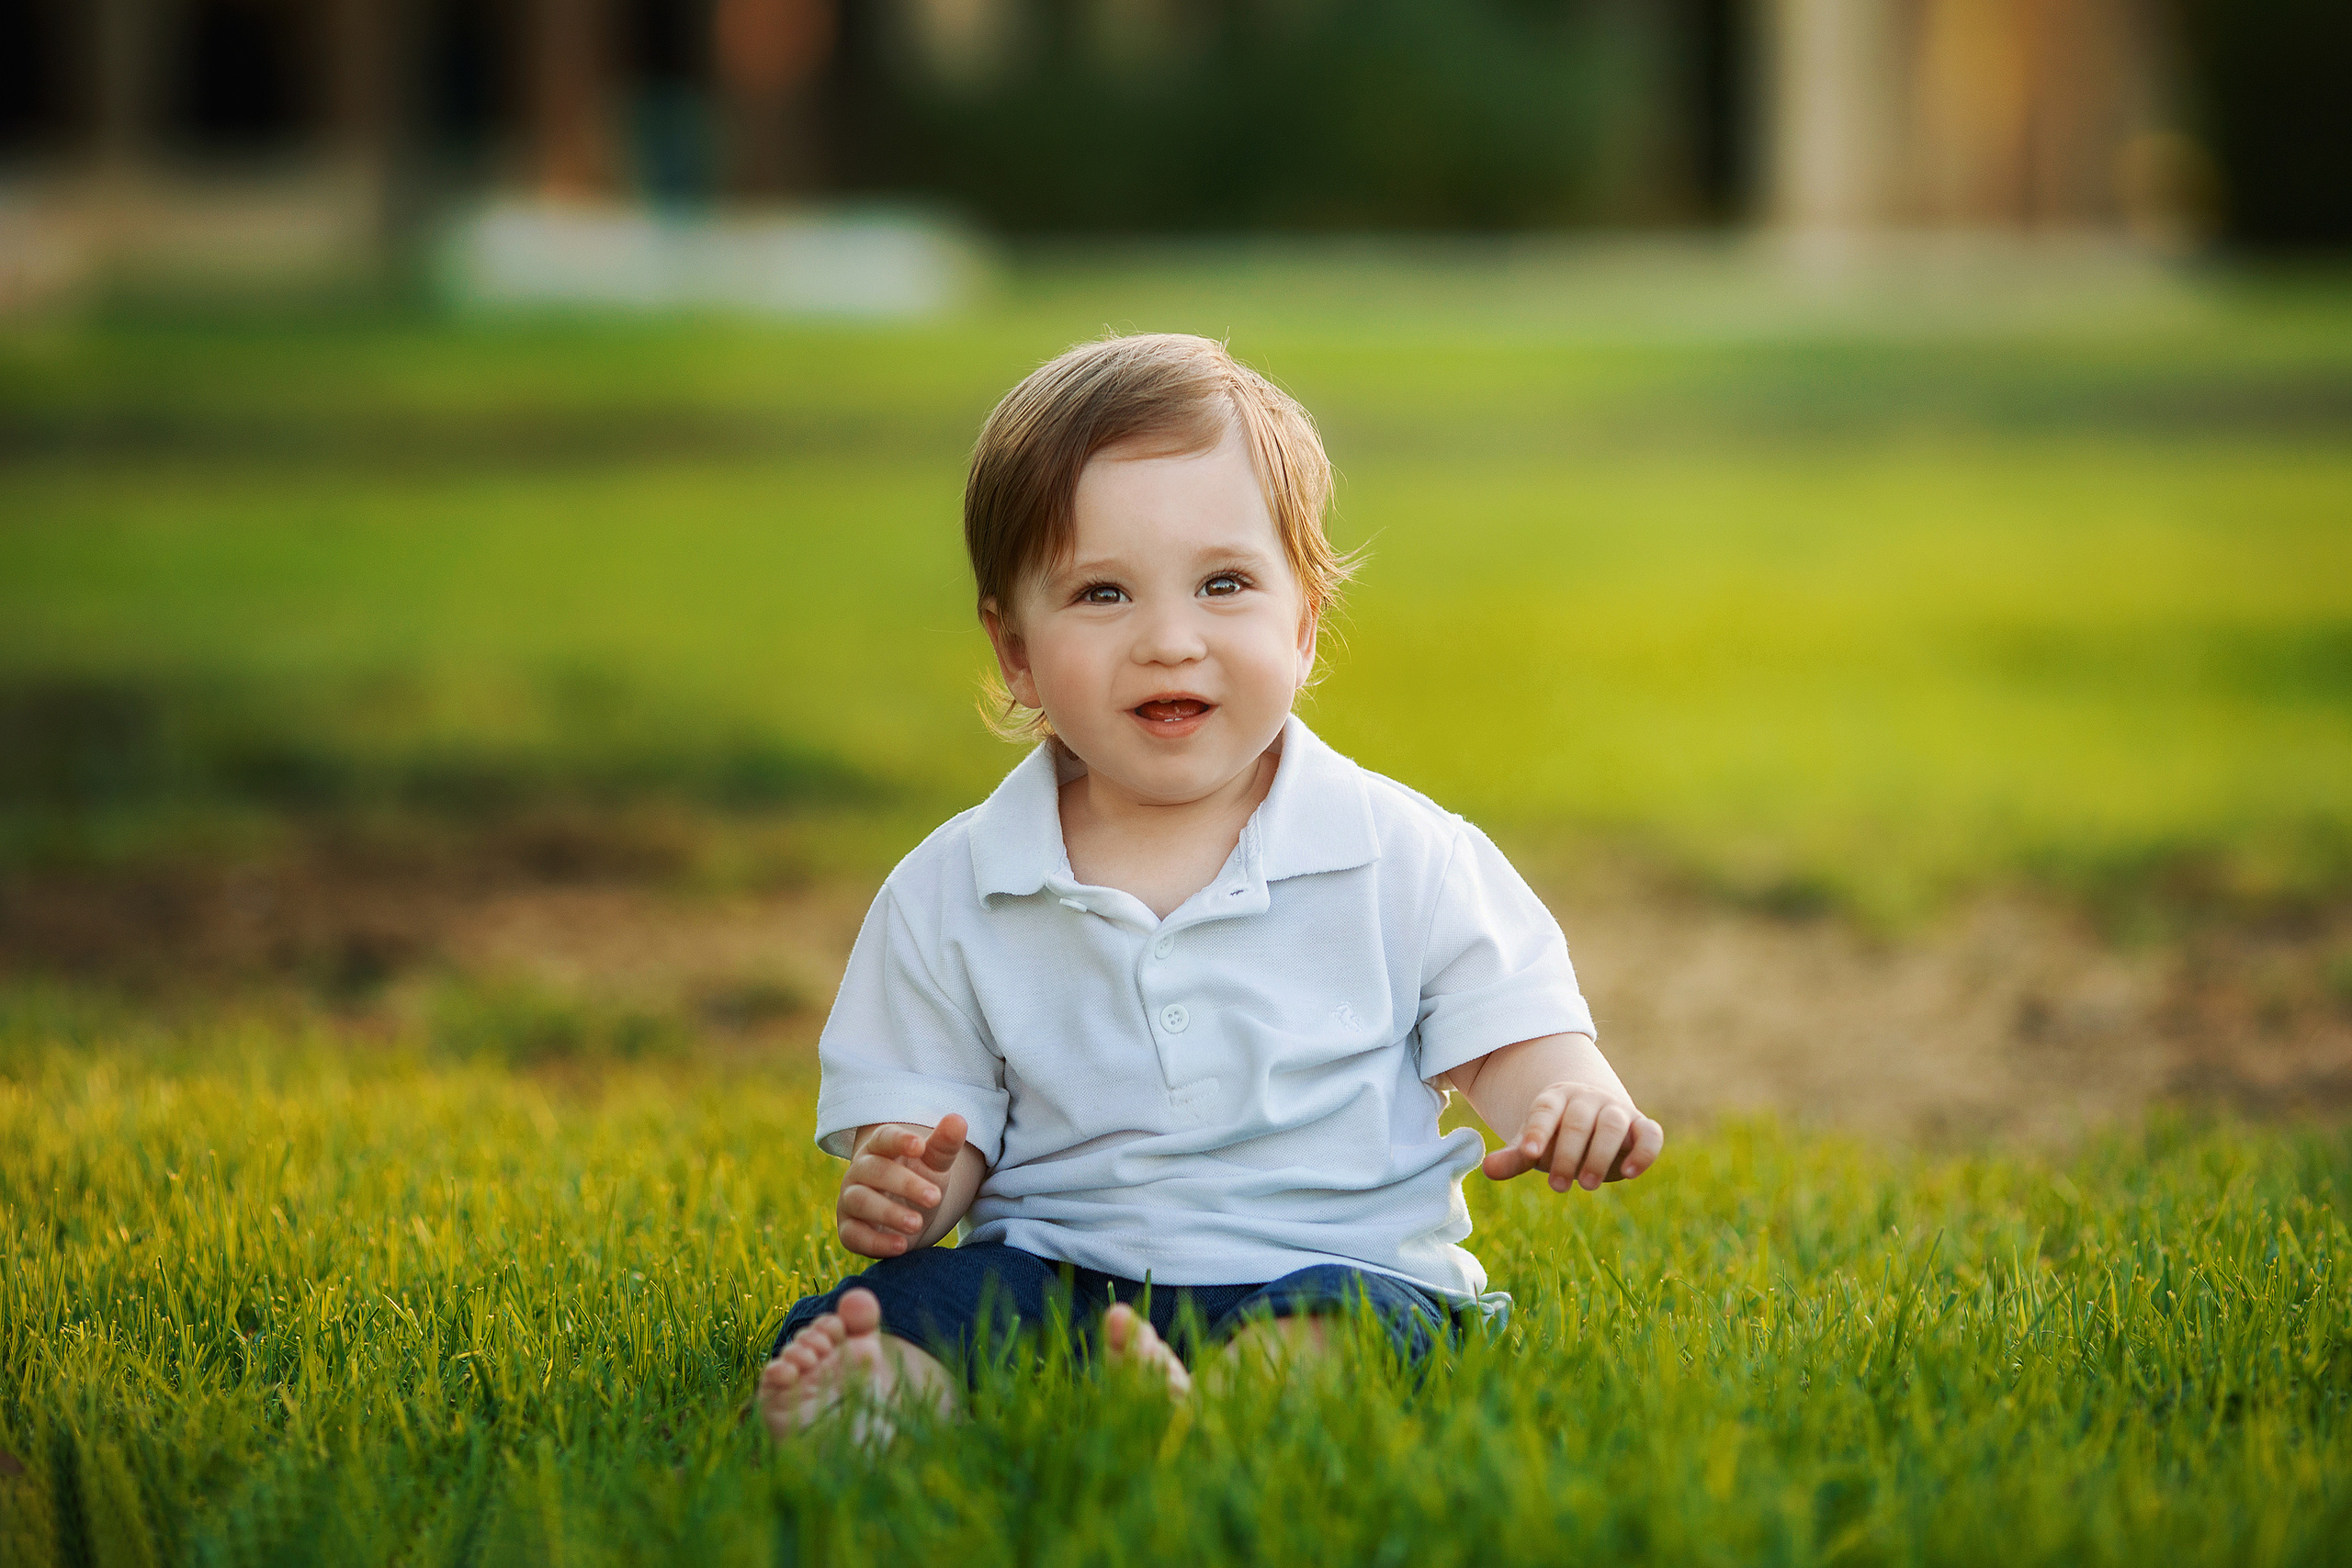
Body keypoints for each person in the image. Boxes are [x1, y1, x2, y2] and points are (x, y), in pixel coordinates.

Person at [758, 333, 1663, 1434]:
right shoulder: (954, 888)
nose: (1170, 640)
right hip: (1057, 1272)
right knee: (920, 1307)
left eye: (1224, 584)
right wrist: (908, 1186)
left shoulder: (1403, 854)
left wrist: (1573, 1101)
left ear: (1303, 618)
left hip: (1327, 1265)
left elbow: (1511, 1037)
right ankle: (881, 1406)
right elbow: (935, 1128)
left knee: (1340, 1333)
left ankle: (1229, 1406)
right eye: (1101, 594)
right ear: (1015, 651)